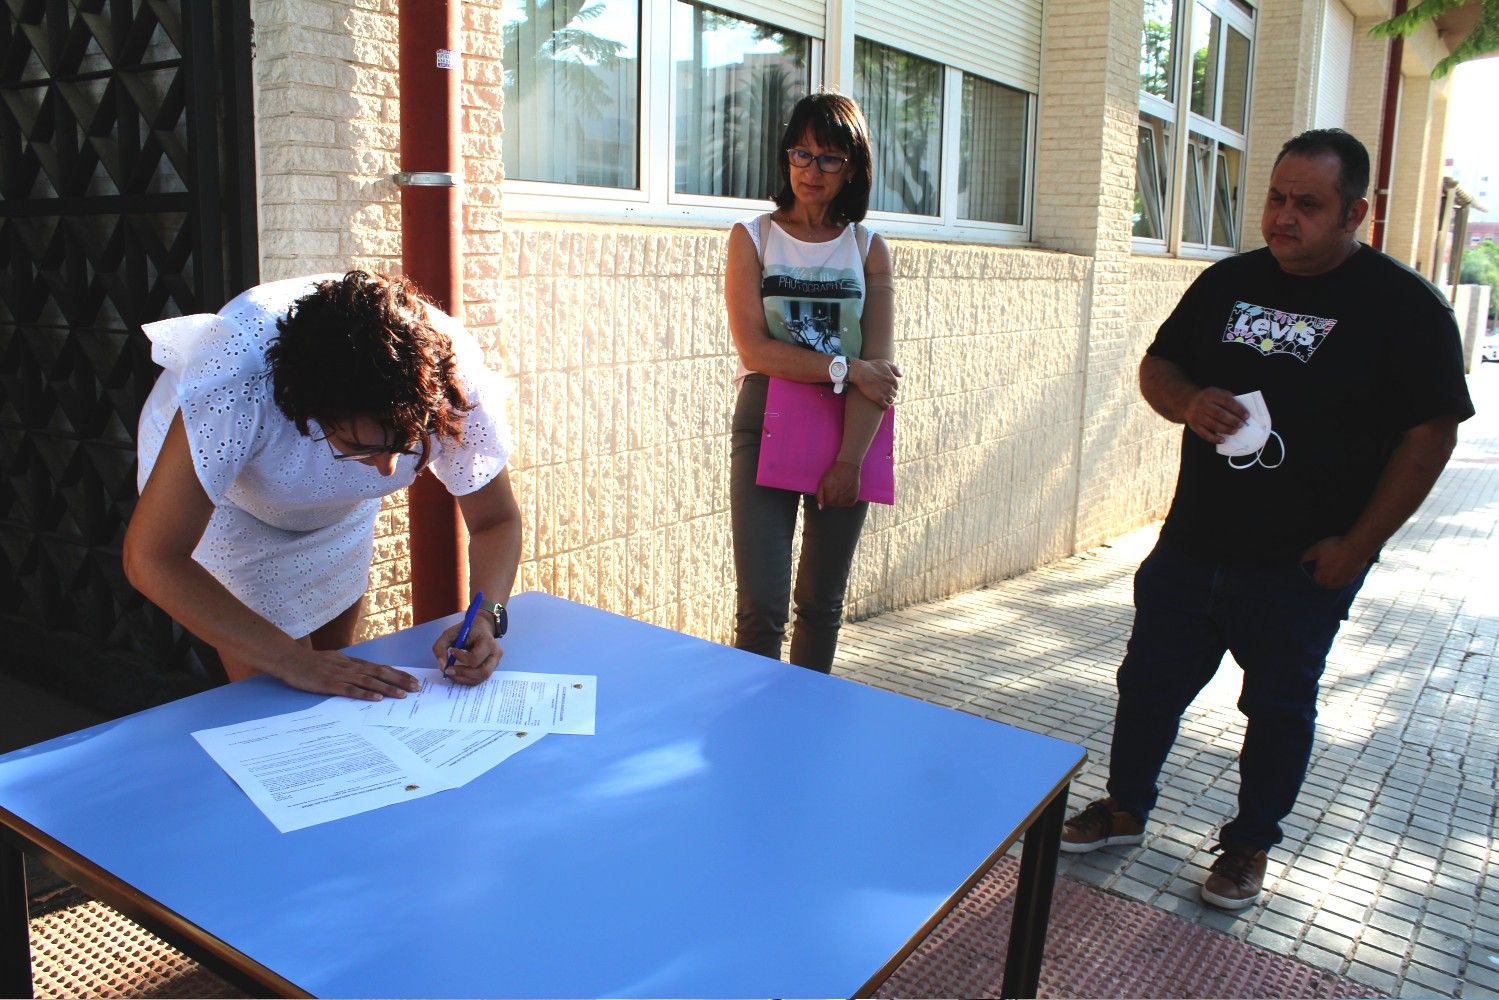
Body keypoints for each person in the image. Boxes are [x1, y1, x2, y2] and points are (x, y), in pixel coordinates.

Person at [1060, 129, 1474, 909]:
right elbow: (1158, 364)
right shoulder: (1228, 283)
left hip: (1302, 564)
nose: (1283, 217)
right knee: (1146, 686)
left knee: (1278, 710)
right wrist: (1186, 401)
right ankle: (1122, 808)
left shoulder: (1403, 308)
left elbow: (1431, 434)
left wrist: (1358, 546)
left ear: (1353, 212)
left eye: (1306, 204)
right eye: (1275, 198)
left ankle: (1248, 844)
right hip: (1191, 546)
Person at [123, 271, 523, 700]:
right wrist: (290, 660)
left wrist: (485, 616)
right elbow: (152, 558)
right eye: (360, 447)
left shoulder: (452, 383)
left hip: (335, 512)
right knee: (280, 695)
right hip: (233, 512)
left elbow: (495, 521)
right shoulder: (238, 382)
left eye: (406, 443)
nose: (387, 470)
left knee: (339, 674)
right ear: (306, 413)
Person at [722, 91, 902, 673]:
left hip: (848, 427)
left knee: (821, 605)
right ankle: (758, 720)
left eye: (829, 158)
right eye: (801, 153)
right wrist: (844, 368)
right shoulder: (753, 237)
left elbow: (880, 371)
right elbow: (754, 349)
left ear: (852, 167)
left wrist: (850, 461)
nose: (811, 170)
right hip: (766, 418)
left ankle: (807, 718)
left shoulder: (867, 247)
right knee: (761, 608)